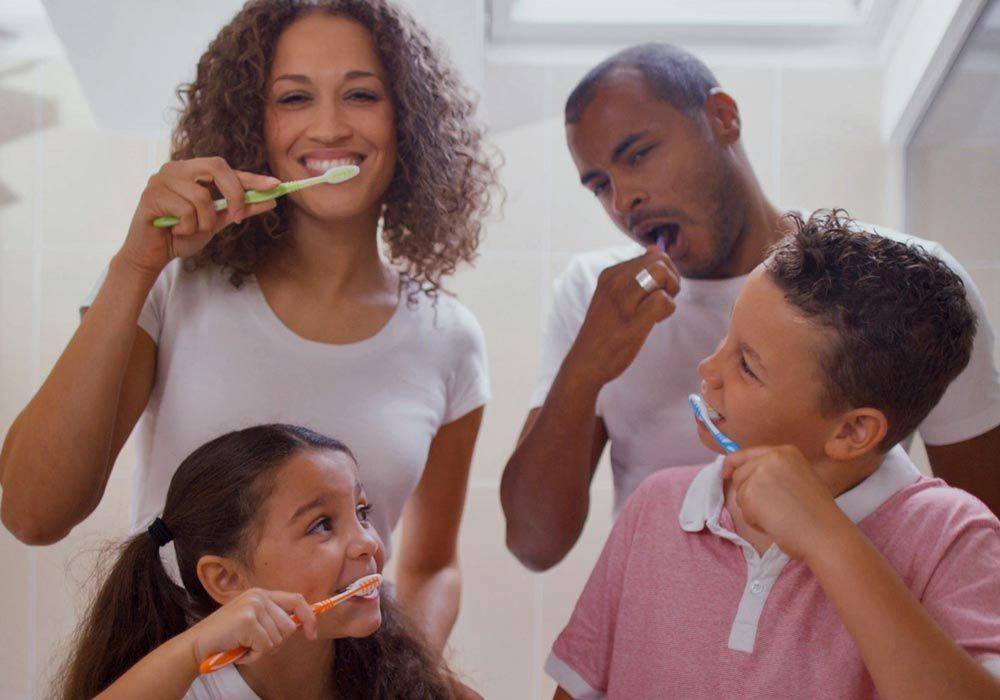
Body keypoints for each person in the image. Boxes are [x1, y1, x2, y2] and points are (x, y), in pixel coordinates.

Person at [0, 0, 497, 656]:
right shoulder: (172, 287)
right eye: (294, 97)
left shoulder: (449, 339)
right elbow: (33, 512)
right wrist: (135, 264)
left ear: (408, 119)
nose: (329, 125)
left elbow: (432, 566)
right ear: (251, 123)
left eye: (361, 94)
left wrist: (404, 682)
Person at [500, 43, 1000, 571]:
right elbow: (534, 545)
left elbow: (988, 536)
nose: (623, 201)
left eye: (639, 154)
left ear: (723, 118)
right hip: (659, 629)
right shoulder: (591, 297)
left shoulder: (907, 283)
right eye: (600, 185)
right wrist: (585, 369)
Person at [547, 213, 1000, 699]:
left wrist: (825, 537)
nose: (708, 367)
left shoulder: (953, 537)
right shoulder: (656, 508)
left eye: (747, 365)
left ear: (852, 431)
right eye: (728, 337)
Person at [59, 424, 461, 699]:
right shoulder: (190, 688)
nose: (367, 544)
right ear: (226, 579)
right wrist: (192, 650)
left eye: (362, 512)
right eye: (321, 525)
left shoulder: (405, 683)